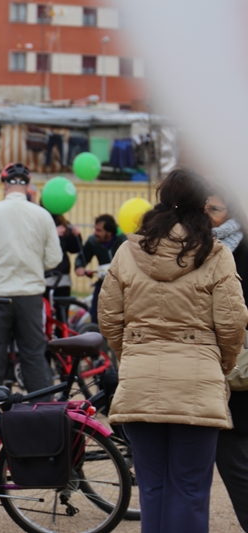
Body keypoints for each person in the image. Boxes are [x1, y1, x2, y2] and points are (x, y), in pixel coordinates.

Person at [98, 168, 248, 533]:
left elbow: (107, 317)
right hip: (197, 380)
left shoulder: (128, 250)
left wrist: (130, 354)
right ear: (201, 205)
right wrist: (221, 363)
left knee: (151, 488)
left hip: (139, 377)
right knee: (192, 489)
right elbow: (232, 324)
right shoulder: (215, 254)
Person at [0, 162, 62, 395]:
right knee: (33, 353)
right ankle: (43, 407)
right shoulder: (42, 215)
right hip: (30, 295)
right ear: (28, 185)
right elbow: (53, 259)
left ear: (4, 185)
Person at [207, 190, 248, 531]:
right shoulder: (203, 250)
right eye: (203, 208)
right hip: (223, 370)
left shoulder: (236, 251)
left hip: (239, 371)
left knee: (235, 464)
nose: (207, 215)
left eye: (215, 210)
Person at [74, 214, 126, 323]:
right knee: (96, 316)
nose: (95, 233)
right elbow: (82, 257)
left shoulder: (123, 241)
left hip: (122, 285)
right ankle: (97, 337)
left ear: (109, 232)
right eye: (95, 229)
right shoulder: (93, 242)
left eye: (99, 230)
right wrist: (79, 267)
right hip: (103, 284)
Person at [45, 211, 82, 298]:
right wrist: (52, 235)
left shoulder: (64, 224)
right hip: (44, 277)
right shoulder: (39, 222)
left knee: (62, 308)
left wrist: (76, 236)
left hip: (62, 277)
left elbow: (74, 249)